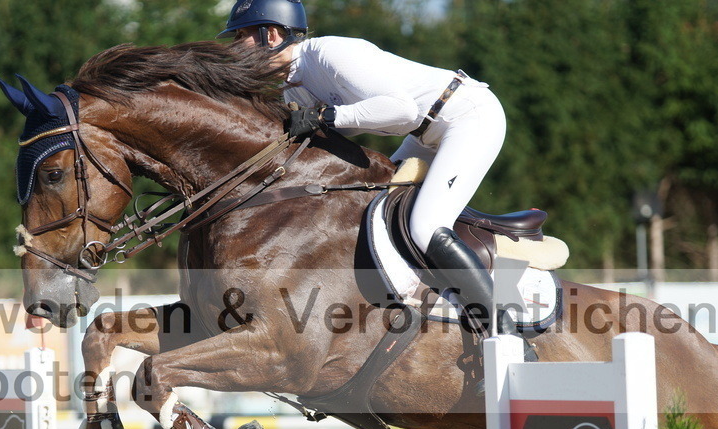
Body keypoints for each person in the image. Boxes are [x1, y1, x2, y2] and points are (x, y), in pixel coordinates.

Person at [218, 0, 538, 363]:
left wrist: (327, 115)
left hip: (467, 115)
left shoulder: (328, 53)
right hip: (424, 135)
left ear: (270, 34)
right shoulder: (294, 87)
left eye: (241, 36)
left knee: (425, 226)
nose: (235, 47)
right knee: (370, 212)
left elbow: (401, 109)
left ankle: (506, 336)